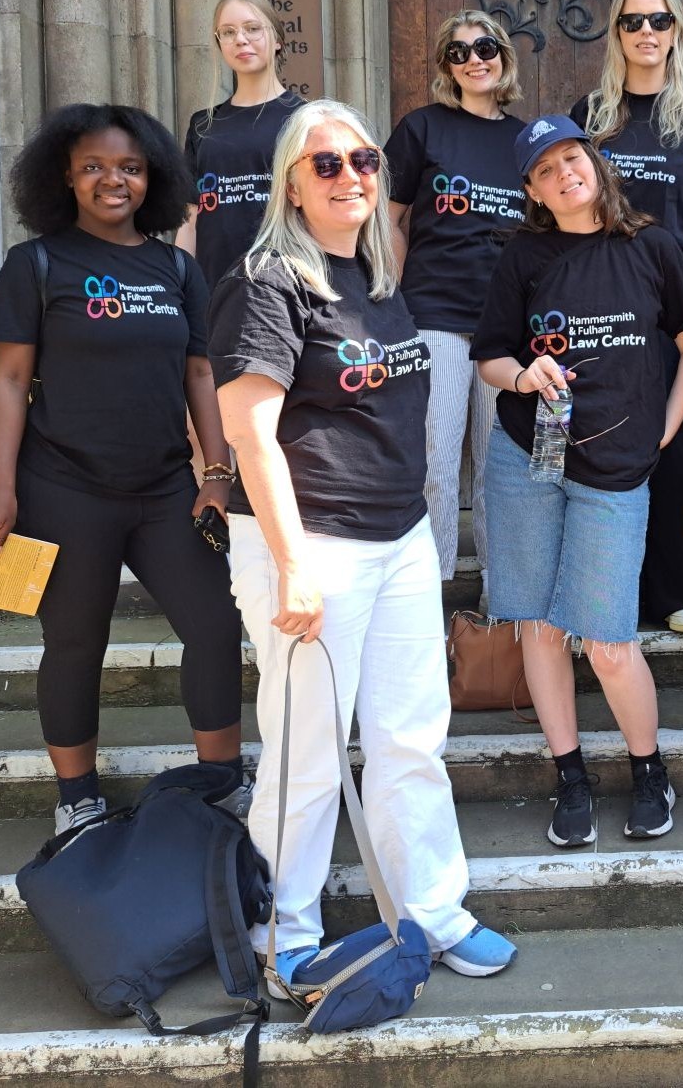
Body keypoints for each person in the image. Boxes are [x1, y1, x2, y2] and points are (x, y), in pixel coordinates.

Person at [209, 99, 515, 988]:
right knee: (306, 753)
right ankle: (285, 933)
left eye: (365, 161)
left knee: (410, 739)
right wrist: (294, 566)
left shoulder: (378, 282)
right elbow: (249, 435)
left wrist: (416, 531)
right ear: (292, 185)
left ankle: (431, 912)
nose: (352, 176)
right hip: (313, 550)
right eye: (327, 164)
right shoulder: (268, 281)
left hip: (400, 539)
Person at [0, 103, 244, 835]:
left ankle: (221, 782)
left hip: (162, 490)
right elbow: (6, 378)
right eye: (93, 166)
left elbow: (199, 373)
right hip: (63, 488)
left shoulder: (177, 268)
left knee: (215, 625)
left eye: (128, 167)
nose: (111, 180)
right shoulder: (36, 265)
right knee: (76, 642)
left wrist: (215, 472)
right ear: (65, 176)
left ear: (151, 176)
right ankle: (78, 795)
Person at [472, 115, 683, 847]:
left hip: (615, 466)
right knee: (541, 627)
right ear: (533, 191)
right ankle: (568, 775)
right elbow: (488, 358)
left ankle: (648, 770)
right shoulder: (524, 256)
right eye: (544, 170)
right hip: (527, 457)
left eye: (571, 158)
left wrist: (664, 429)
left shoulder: (652, 245)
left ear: (595, 164)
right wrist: (523, 372)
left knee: (607, 640)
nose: (562, 174)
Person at [572, 0, 683, 635]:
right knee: (607, 445)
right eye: (633, 21)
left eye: (659, 21)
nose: (646, 32)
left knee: (674, 449)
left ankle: (674, 593)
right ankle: (611, 592)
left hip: (678, 310)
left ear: (677, 32)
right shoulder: (591, 116)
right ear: (616, 33)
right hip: (604, 306)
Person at [384, 10, 526, 597]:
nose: (475, 60)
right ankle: (430, 593)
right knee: (436, 467)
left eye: (486, 47)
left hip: (507, 325)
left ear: (504, 55)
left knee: (500, 473)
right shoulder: (422, 128)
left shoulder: (524, 139)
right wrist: (390, 299)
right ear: (446, 65)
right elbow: (388, 217)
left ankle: (504, 595)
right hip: (435, 314)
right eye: (459, 52)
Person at [177, 0, 304, 290]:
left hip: (286, 285)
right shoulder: (203, 124)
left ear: (277, 40)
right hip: (213, 287)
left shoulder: (306, 118)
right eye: (228, 32)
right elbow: (191, 220)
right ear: (219, 43)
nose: (241, 39)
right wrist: (182, 287)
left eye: (252, 28)